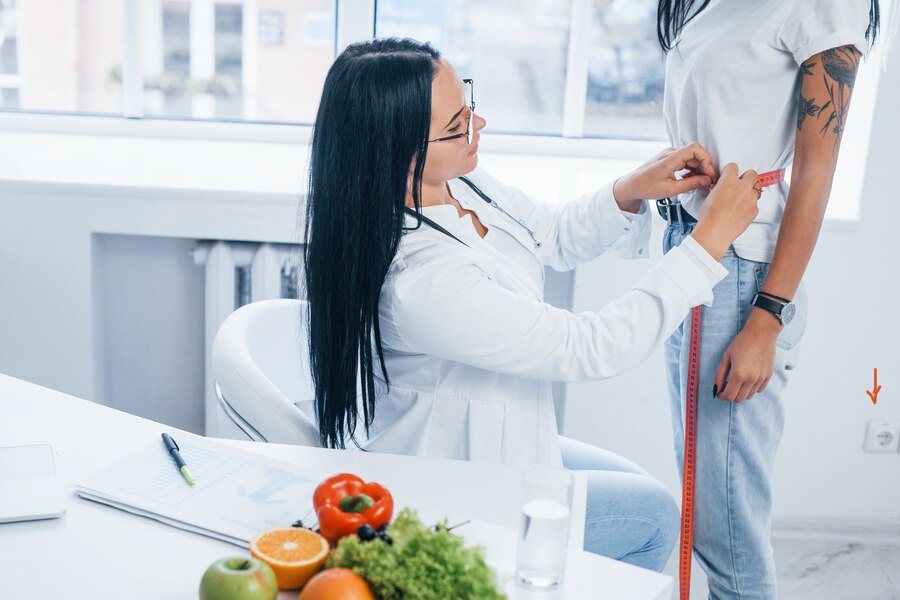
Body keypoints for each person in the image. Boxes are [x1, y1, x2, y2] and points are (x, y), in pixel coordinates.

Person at [303, 37, 761, 571]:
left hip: (509, 442)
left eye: (467, 104)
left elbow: (551, 233)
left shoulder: (458, 182)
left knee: (638, 487)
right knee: (656, 517)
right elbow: (590, 348)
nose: (480, 125)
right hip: (459, 492)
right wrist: (705, 245)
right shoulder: (419, 281)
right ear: (397, 149)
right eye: (457, 125)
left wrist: (630, 189)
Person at [657, 0, 881, 596]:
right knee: (707, 512)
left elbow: (815, 171)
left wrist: (767, 317)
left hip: (741, 273)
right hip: (695, 249)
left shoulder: (824, 5)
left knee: (726, 532)